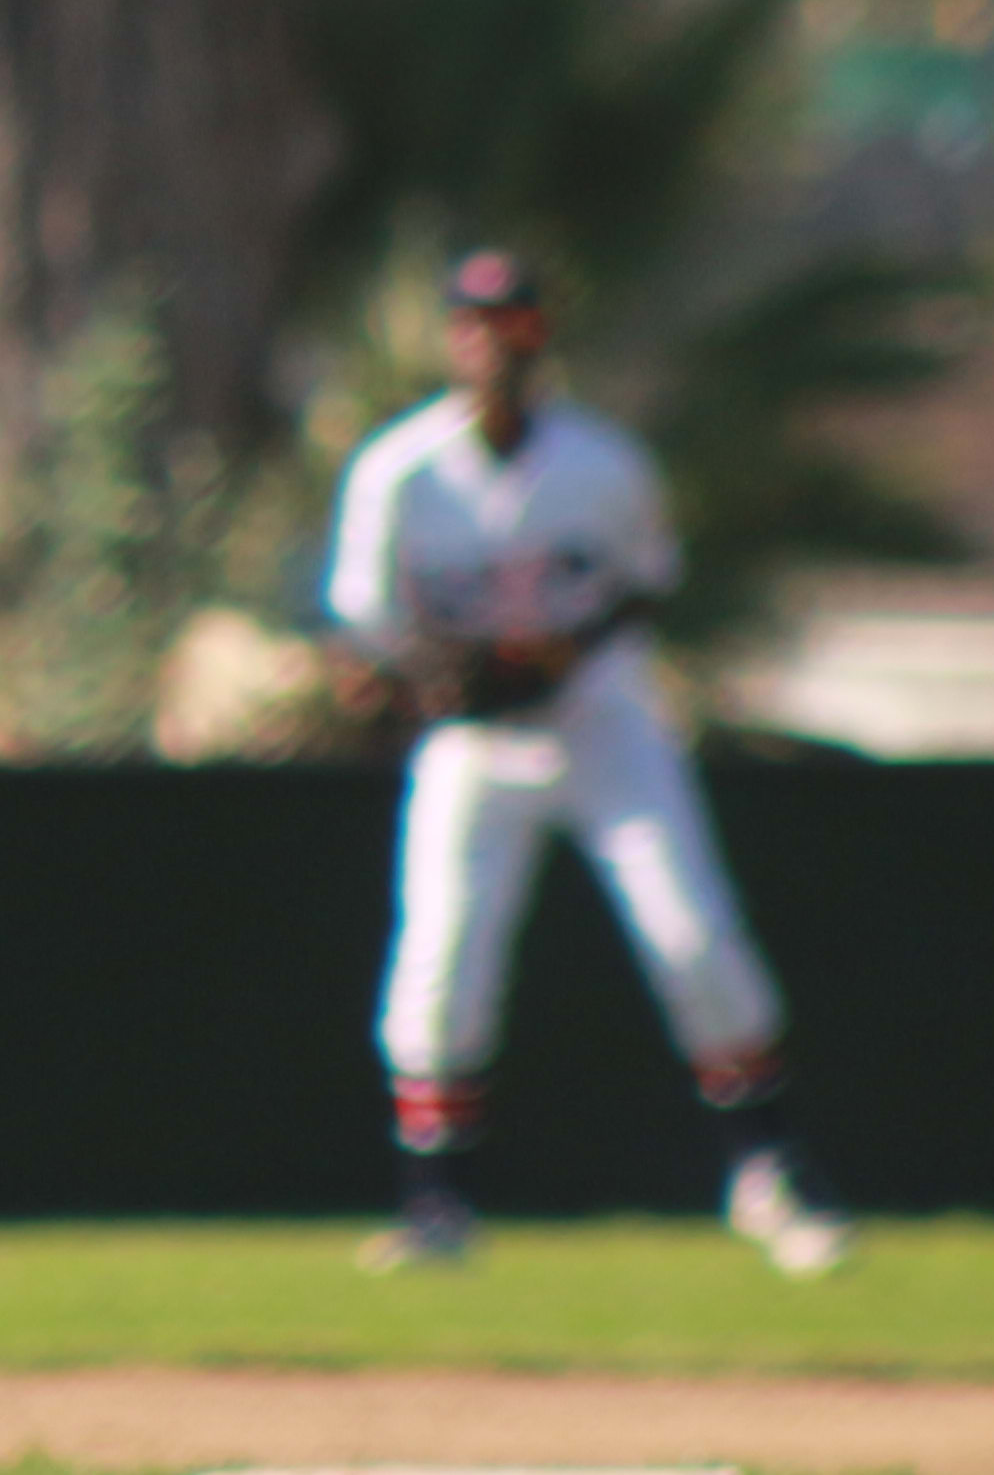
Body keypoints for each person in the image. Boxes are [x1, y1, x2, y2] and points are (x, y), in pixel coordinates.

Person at [323, 249, 850, 1277]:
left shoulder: (602, 464)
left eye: (512, 317)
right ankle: (436, 1204)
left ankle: (768, 1171)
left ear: (541, 333)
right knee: (439, 968)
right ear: (449, 337)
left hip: (603, 725)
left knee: (691, 935)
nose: (493, 338)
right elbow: (363, 640)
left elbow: (648, 582)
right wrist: (440, 679)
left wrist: (565, 649)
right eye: (474, 318)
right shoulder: (399, 473)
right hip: (473, 744)